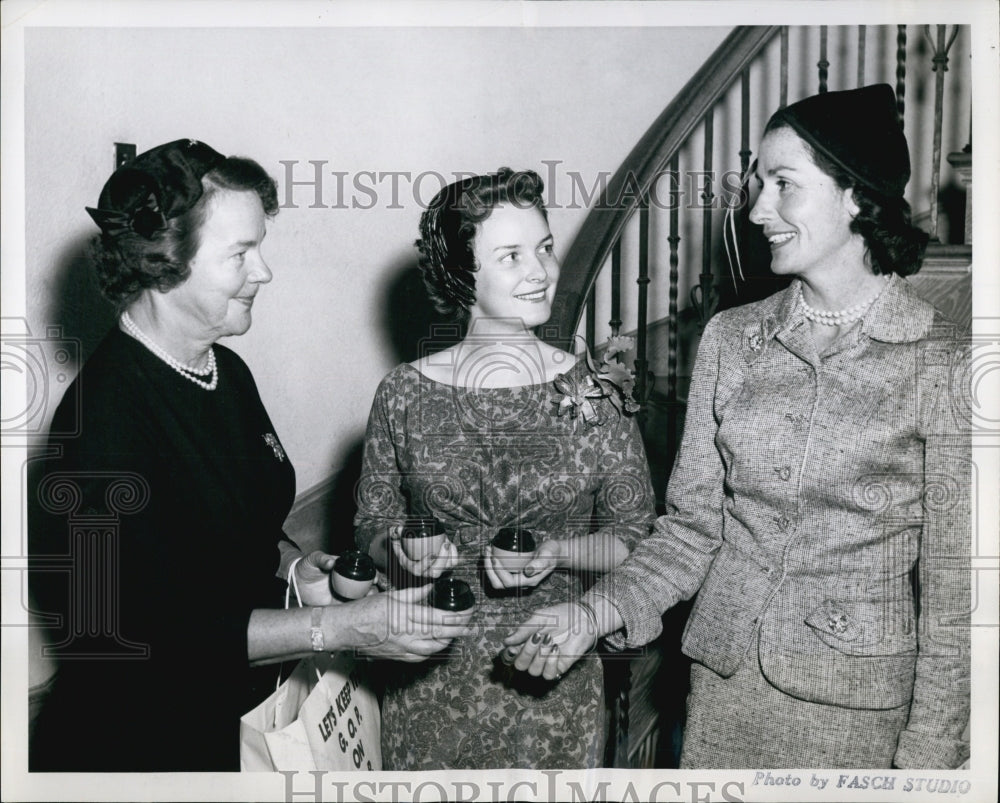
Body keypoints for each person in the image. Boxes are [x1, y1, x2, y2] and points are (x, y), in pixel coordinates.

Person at [505, 85, 970, 769]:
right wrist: (595, 611)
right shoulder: (731, 337)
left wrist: (928, 759)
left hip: (861, 716)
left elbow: (957, 595)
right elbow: (692, 530)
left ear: (857, 197)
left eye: (784, 184)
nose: (757, 211)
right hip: (721, 693)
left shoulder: (944, 363)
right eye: (758, 185)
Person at [29, 140, 470, 772]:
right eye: (240, 252)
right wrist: (343, 630)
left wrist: (298, 570)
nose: (263, 271)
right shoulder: (101, 420)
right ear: (163, 263)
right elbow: (140, 637)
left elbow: (243, 528)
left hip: (242, 709)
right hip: (146, 742)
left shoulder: (222, 369)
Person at [353, 167, 656, 769]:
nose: (541, 271)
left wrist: (556, 553)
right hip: (427, 678)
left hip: (553, 667)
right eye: (511, 256)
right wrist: (399, 549)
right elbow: (370, 527)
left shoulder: (595, 388)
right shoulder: (403, 394)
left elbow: (635, 540)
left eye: (543, 248)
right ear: (463, 275)